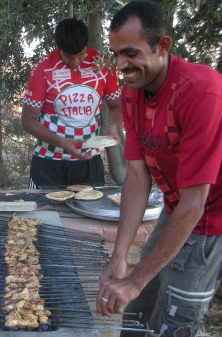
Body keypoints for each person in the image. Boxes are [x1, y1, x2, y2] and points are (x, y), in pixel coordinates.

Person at [97, 1, 222, 336]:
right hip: (175, 206)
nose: (121, 64)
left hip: (211, 218)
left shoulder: (200, 91)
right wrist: (120, 257)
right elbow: (137, 176)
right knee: (137, 309)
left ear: (163, 46)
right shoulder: (131, 93)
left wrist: (136, 280)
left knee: (173, 319)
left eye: (131, 53)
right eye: (116, 54)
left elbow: (196, 203)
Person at [21, 17, 122, 189]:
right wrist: (62, 142)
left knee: (89, 214)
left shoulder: (101, 64)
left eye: (81, 55)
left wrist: (112, 126)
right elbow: (28, 122)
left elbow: (117, 105)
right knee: (44, 214)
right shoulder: (44, 69)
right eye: (69, 57)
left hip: (89, 162)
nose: (75, 62)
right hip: (49, 162)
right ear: (57, 46)